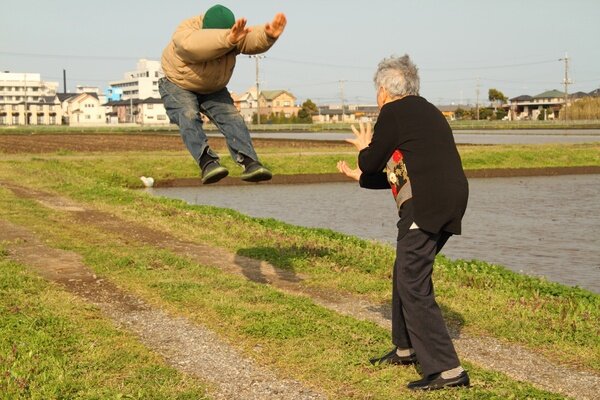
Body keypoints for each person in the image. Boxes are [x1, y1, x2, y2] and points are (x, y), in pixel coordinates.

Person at [337, 54, 470, 391]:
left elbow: (372, 161)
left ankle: (448, 371)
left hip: (426, 205)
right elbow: (405, 171)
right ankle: (406, 347)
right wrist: (361, 176)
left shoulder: (393, 112)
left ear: (384, 89)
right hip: (447, 199)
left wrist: (363, 153)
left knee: (413, 280)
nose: (377, 96)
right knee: (406, 270)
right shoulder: (426, 111)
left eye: (376, 89)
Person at [159, 5, 287, 184]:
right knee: (188, 115)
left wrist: (268, 36)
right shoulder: (186, 32)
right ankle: (207, 162)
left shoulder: (233, 34)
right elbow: (194, 45)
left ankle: (250, 162)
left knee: (233, 119)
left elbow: (249, 38)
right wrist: (228, 38)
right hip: (178, 84)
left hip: (213, 87)